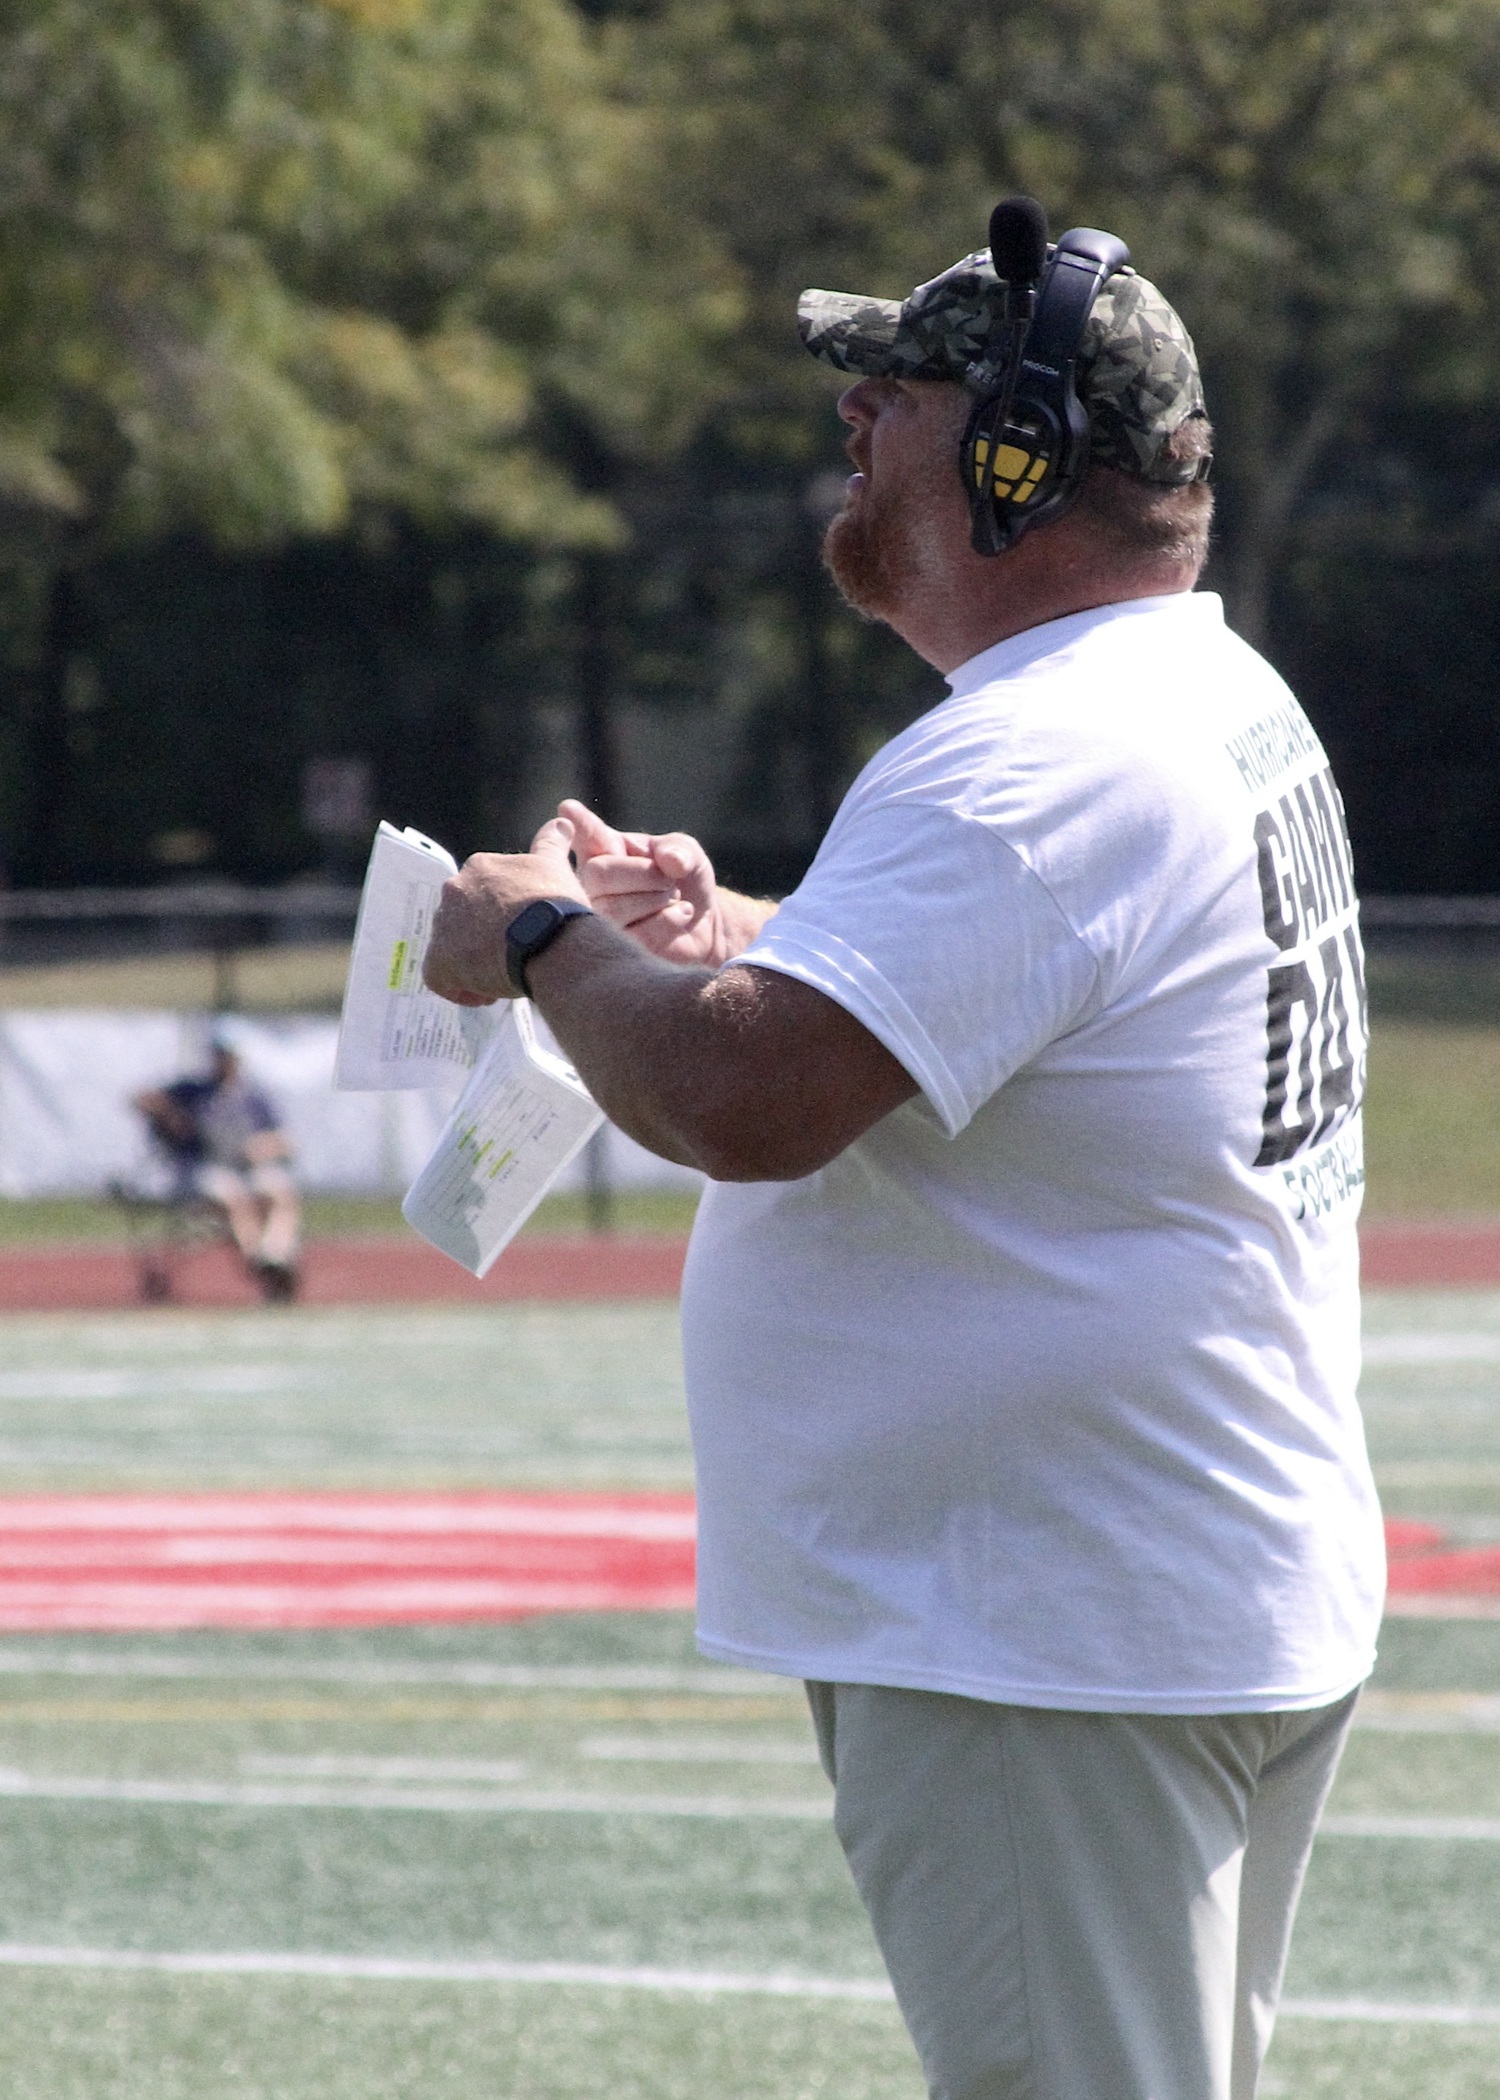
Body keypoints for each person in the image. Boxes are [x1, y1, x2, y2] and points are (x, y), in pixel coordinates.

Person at [422, 200, 1383, 2100]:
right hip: (1156, 1582)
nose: (854, 422)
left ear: (1018, 458)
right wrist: (738, 942)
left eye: (902, 392)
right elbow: (1027, 993)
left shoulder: (1035, 758)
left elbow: (742, 1106)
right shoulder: (1188, 693)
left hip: (1044, 1622)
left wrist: (540, 940)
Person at [133, 1038, 302, 1302]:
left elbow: (285, 1140)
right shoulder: (194, 1092)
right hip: (205, 1168)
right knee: (229, 1193)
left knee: (277, 1190)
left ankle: (275, 1256)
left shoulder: (251, 1097)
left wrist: (260, 1147)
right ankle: (257, 1260)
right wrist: (171, 1117)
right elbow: (143, 1100)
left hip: (246, 1168)